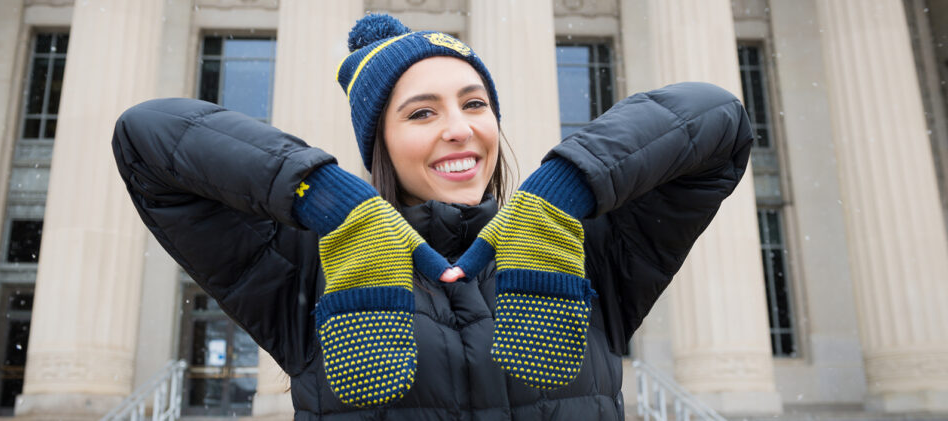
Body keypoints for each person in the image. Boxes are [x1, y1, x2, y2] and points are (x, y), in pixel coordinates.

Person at [112, 13, 752, 421]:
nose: (459, 130)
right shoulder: (310, 271)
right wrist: (333, 201)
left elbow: (716, 118)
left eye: (474, 104)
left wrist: (560, 194)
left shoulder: (581, 254)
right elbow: (148, 138)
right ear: (380, 145)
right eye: (420, 113)